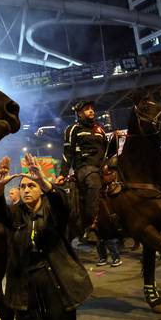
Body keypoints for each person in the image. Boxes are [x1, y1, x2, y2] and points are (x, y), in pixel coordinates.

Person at [0, 153, 92, 320]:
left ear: (40, 189)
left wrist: (44, 180)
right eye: (22, 186)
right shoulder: (16, 214)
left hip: (57, 288)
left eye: (31, 186)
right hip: (25, 294)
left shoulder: (54, 210)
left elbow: (62, 203)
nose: (26, 190)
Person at [55, 100, 113, 244]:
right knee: (93, 181)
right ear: (79, 113)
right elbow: (67, 154)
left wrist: (115, 139)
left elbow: (108, 151)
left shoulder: (100, 130)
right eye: (87, 109)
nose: (91, 111)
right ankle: (91, 226)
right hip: (85, 169)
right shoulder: (72, 129)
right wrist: (62, 174)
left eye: (92, 109)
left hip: (102, 167)